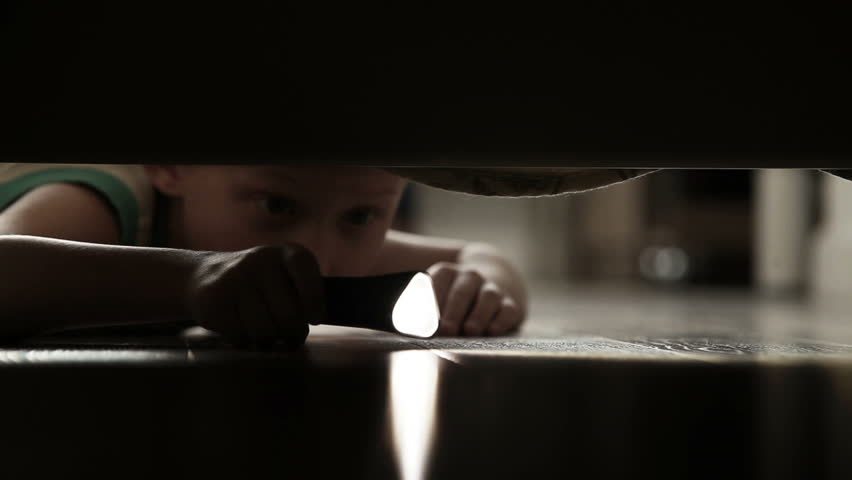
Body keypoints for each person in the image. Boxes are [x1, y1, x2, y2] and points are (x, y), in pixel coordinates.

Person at [0, 164, 527, 347]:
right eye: (277, 205)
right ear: (171, 165)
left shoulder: (318, 227)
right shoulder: (101, 203)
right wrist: (190, 281)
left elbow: (474, 251)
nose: (317, 255)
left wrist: (476, 286)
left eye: (362, 216)